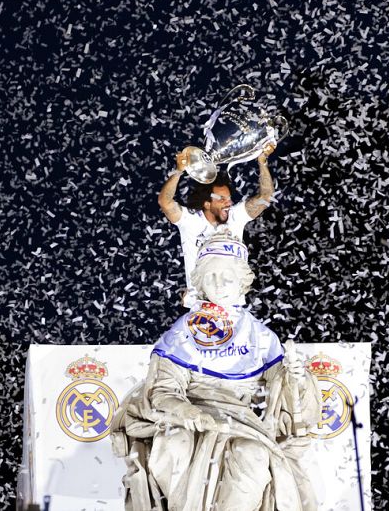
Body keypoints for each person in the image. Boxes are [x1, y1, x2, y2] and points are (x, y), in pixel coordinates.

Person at [111, 233, 321, 511]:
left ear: (242, 282)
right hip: (191, 418)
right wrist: (188, 413)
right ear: (200, 283)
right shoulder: (183, 333)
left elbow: (285, 399)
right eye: (211, 277)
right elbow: (162, 390)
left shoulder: (261, 337)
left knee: (252, 454)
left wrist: (297, 378)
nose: (219, 284)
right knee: (173, 445)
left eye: (227, 277)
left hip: (244, 423)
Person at [158, 143, 276, 307]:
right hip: (201, 306)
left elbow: (266, 196)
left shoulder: (236, 216)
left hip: (234, 306)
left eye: (229, 199)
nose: (228, 203)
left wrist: (262, 161)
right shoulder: (190, 221)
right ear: (207, 204)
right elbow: (165, 202)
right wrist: (178, 171)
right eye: (222, 199)